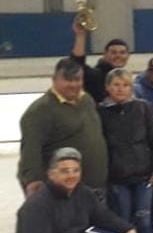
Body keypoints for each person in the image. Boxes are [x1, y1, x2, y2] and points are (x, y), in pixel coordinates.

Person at [97, 68, 153, 233]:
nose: (121, 89)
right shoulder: (100, 112)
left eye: (125, 85)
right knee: (123, 222)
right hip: (117, 178)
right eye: (116, 85)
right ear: (108, 87)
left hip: (143, 177)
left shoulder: (142, 108)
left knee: (143, 220)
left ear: (131, 88)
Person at [18, 57, 108, 198]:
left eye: (77, 79)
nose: (73, 84)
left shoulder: (87, 100)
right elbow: (30, 151)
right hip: (63, 192)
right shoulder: (40, 110)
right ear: (54, 79)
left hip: (95, 189)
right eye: (67, 80)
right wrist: (33, 180)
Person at [70, 20, 130, 103]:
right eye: (113, 52)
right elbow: (76, 64)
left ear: (128, 56)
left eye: (122, 53)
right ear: (104, 55)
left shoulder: (126, 77)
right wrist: (80, 36)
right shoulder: (95, 75)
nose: (118, 56)